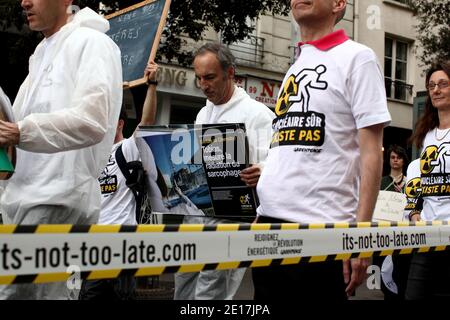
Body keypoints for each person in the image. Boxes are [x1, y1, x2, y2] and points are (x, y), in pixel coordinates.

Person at [253, 0, 391, 300]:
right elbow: (284, 147)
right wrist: (262, 207)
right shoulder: (294, 68)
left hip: (322, 232)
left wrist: (361, 235)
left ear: (339, 4)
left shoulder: (358, 58)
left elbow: (371, 152)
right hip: (267, 228)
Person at [0, 0, 122, 299]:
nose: (24, 2)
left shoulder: (92, 43)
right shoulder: (41, 53)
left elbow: (93, 121)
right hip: (19, 200)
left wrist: (19, 131)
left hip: (57, 200)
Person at [174, 43, 275, 300]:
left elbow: (279, 162)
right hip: (196, 217)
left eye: (209, 77)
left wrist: (262, 170)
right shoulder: (202, 114)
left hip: (231, 218)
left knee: (212, 289)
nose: (203, 85)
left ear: (230, 73)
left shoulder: (259, 115)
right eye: (198, 78)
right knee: (183, 281)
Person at [78, 62, 158, 300]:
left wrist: (151, 85)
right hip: (93, 244)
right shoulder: (93, 154)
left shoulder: (127, 148)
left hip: (120, 242)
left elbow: (148, 122)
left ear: (120, 124)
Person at [406, 59, 450, 299]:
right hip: (427, 236)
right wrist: (414, 214)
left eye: (443, 84)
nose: (436, 90)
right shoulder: (427, 135)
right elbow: (418, 183)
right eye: (432, 85)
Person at [377, 145, 411, 300]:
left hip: (406, 237)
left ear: (404, 160)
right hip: (384, 237)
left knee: (402, 275)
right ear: (388, 160)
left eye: (399, 157)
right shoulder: (381, 182)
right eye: (392, 157)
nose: (395, 160)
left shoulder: (411, 183)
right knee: (384, 276)